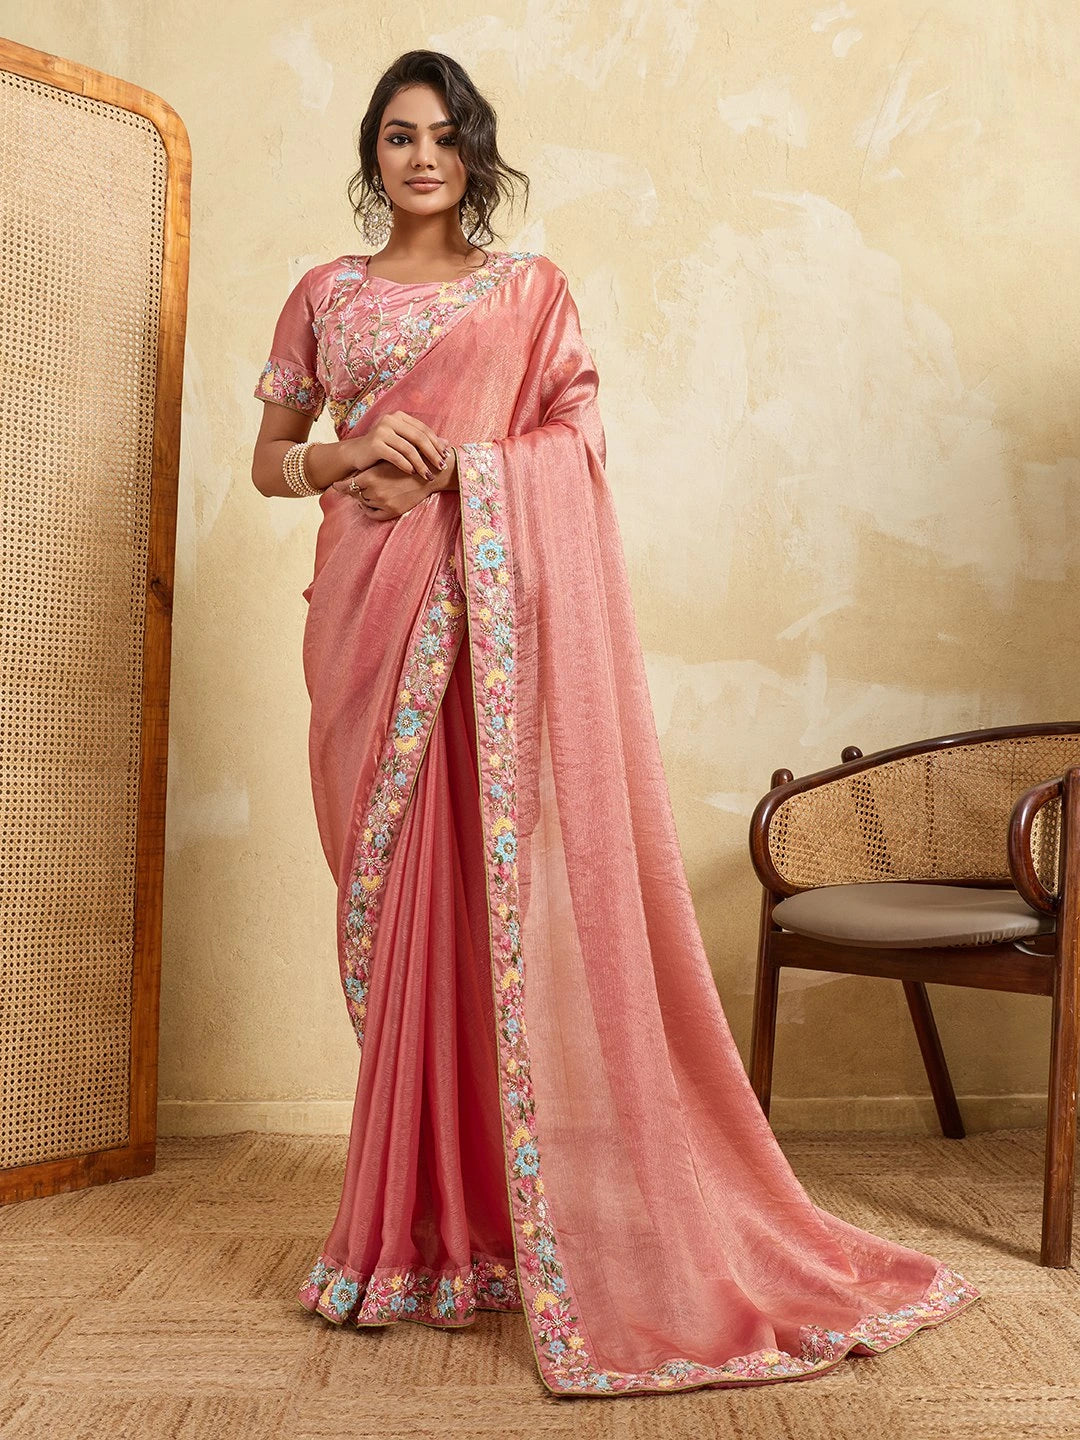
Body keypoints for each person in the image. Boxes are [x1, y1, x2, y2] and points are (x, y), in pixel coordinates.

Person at [250, 48, 981, 1399]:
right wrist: (348, 455)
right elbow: (270, 461)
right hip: (364, 618)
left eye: (446, 134)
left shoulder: (530, 293)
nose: (424, 156)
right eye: (400, 135)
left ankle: (475, 1228)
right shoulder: (324, 294)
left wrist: (471, 468)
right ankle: (417, 1230)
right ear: (373, 154)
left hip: (489, 625)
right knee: (392, 902)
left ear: (474, 151)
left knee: (483, 906)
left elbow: (577, 442)